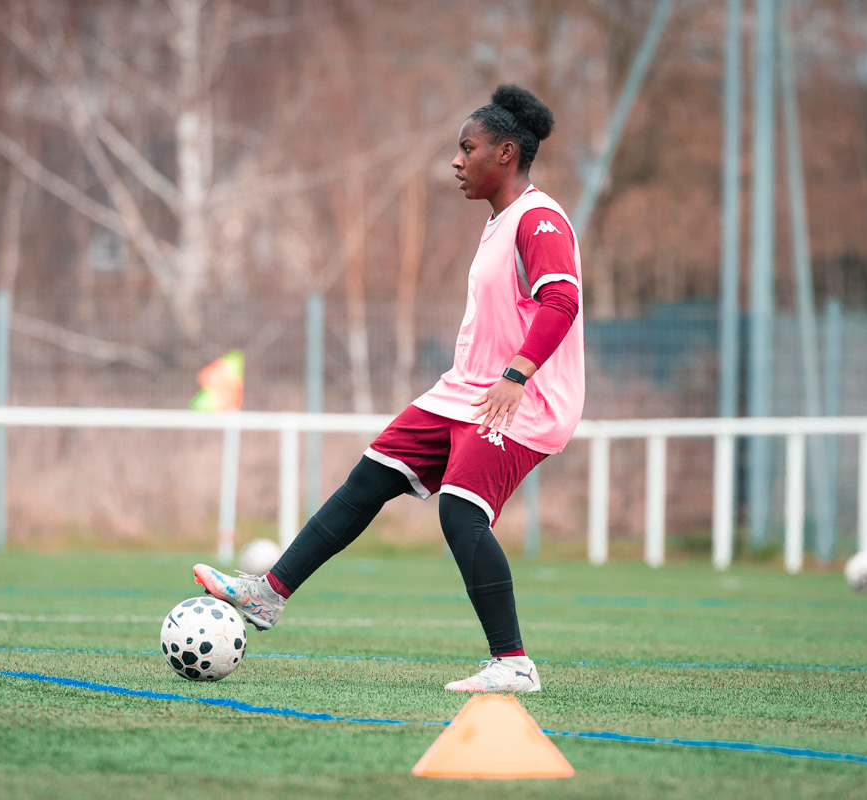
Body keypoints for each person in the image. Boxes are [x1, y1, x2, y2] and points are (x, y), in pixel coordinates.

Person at [194, 84, 584, 693]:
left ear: (506, 153)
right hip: (466, 390)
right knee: (371, 476)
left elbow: (561, 301)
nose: (456, 161)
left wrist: (516, 376)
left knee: (460, 511)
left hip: (522, 399)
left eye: (468, 148)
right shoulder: (500, 222)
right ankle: (268, 593)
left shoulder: (539, 219)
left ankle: (513, 664)